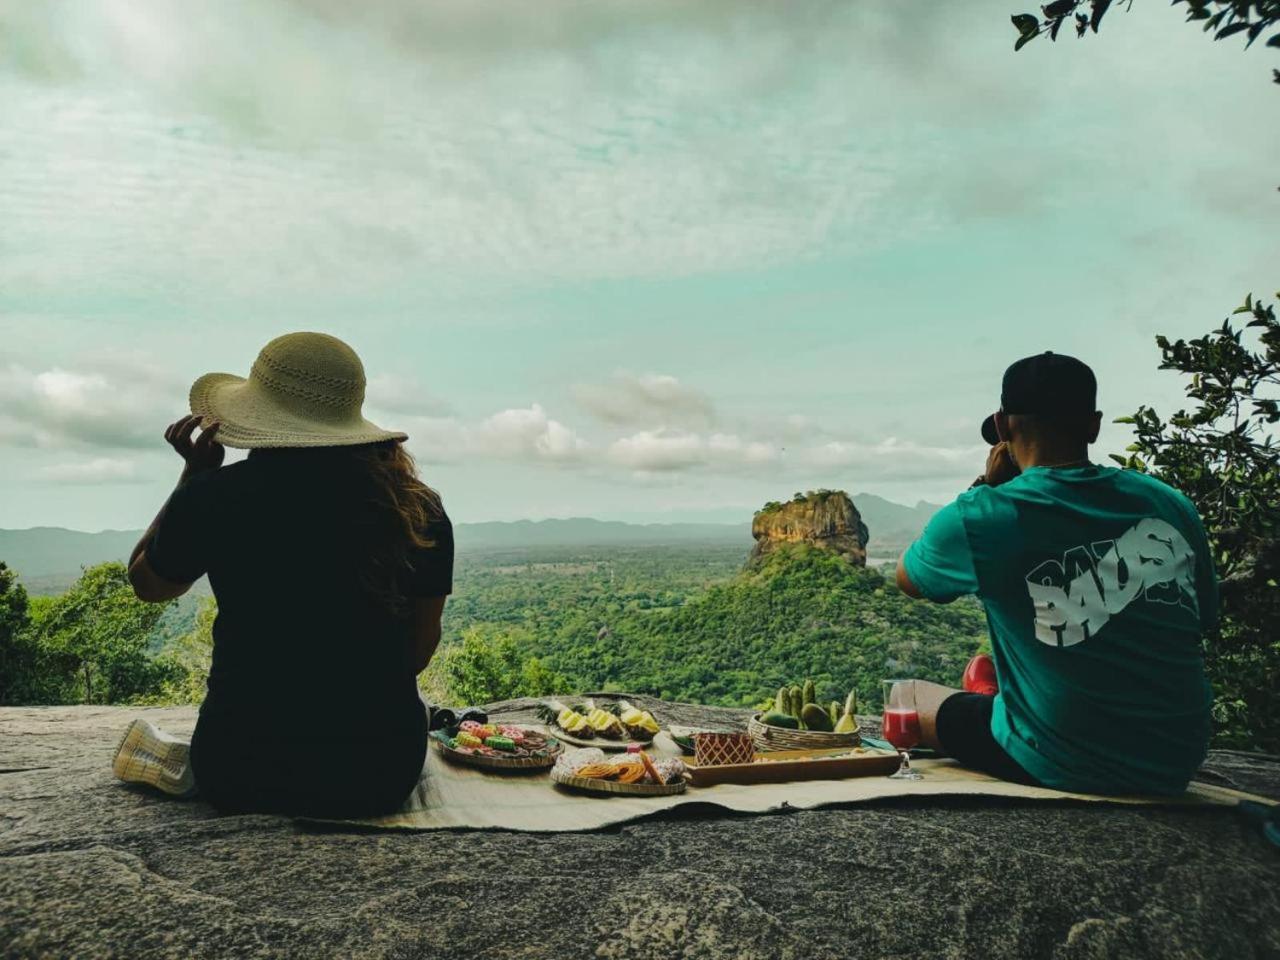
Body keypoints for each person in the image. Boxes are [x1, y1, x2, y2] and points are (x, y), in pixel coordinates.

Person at [114, 331, 453, 818]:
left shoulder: (217, 497)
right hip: (377, 774)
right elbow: (418, 651)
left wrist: (192, 478)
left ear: (258, 415)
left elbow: (148, 585)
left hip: (241, 769)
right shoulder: (415, 507)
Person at [895, 352, 1216, 796]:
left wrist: (987, 488)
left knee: (907, 698)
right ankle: (998, 699)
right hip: (1174, 758)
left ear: (1003, 427)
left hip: (1062, 756)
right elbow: (1201, 621)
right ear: (1094, 425)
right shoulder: (1171, 504)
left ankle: (998, 704)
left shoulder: (987, 514)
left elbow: (909, 579)